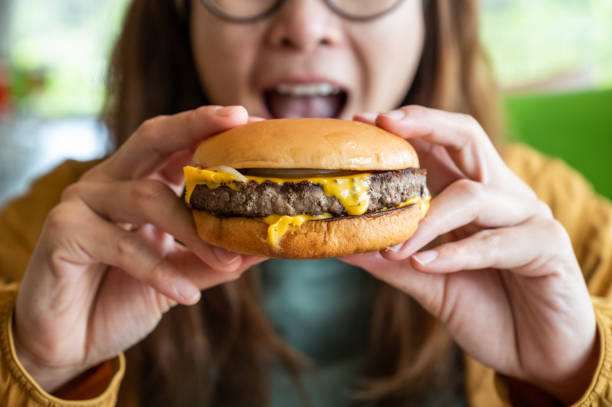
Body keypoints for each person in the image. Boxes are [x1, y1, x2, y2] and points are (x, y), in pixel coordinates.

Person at [1, 0, 611, 406]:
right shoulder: (60, 234)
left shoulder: (554, 221)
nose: (303, 23)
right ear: (181, 13)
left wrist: (573, 372)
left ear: (432, 14)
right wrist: (38, 368)